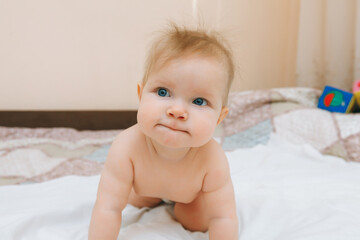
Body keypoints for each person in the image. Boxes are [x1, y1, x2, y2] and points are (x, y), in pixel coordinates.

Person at [88, 23, 238, 240]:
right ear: (141, 95)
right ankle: (151, 198)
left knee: (196, 220)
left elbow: (223, 218)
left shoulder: (212, 160)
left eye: (198, 101)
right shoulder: (126, 146)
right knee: (131, 197)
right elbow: (107, 207)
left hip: (191, 198)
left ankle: (180, 207)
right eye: (163, 91)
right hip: (145, 189)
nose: (177, 111)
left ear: (219, 118)